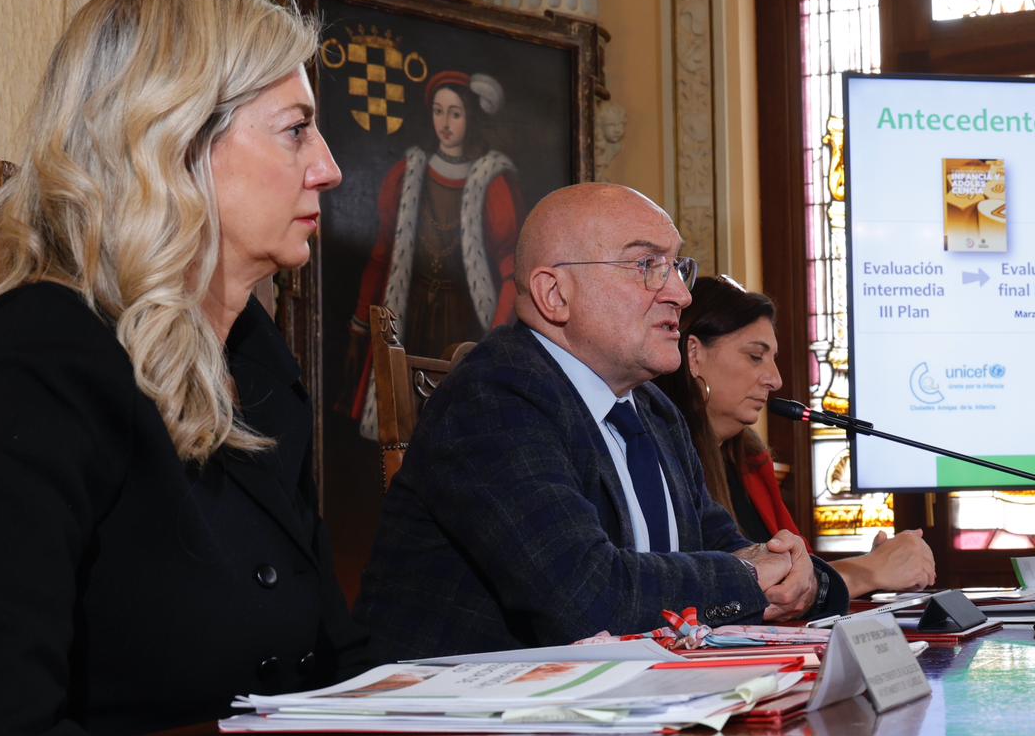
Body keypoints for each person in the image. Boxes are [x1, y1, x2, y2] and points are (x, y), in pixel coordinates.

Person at [0, 0, 371, 736]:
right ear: (171, 143)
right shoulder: (32, 368)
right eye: (296, 131)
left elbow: (332, 666)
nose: (329, 168)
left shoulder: (258, 366)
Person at [355, 183, 849, 657]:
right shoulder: (494, 396)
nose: (681, 294)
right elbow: (589, 599)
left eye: (677, 267)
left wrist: (803, 576)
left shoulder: (653, 410)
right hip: (463, 708)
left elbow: (728, 548)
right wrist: (748, 578)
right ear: (554, 294)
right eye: (647, 265)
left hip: (622, 698)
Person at [653, 276, 935, 596]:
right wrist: (867, 572)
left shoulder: (750, 461)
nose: (775, 380)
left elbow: (797, 579)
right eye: (755, 356)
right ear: (694, 355)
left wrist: (871, 569)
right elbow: (725, 591)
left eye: (772, 360)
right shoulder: (659, 462)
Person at [343, 70, 521, 438]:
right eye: (439, 112)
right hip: (413, 317)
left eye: (455, 113)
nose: (445, 123)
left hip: (465, 323)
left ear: (471, 117)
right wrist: (361, 320)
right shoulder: (407, 175)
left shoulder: (492, 181)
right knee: (406, 428)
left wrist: (495, 340)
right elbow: (381, 255)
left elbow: (512, 272)